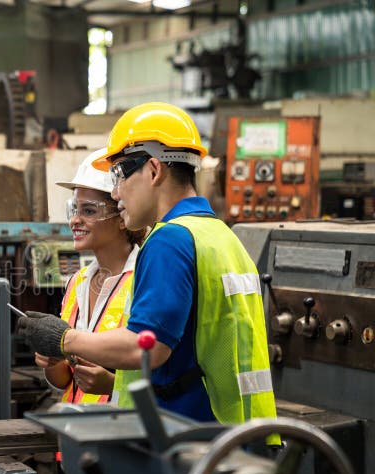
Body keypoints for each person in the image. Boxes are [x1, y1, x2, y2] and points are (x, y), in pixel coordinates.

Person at [17, 102, 277, 427]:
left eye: (118, 175)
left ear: (154, 170)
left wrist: (63, 339)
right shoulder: (221, 236)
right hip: (239, 431)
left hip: (189, 436)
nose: (115, 191)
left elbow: (147, 347)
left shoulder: (170, 239)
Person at [30, 149, 145, 474]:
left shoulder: (144, 282)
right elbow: (64, 382)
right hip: (74, 447)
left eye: (89, 210)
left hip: (124, 450)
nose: (75, 220)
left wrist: (113, 385)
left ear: (122, 215)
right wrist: (53, 366)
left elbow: (164, 369)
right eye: (73, 208)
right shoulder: (77, 282)